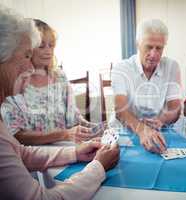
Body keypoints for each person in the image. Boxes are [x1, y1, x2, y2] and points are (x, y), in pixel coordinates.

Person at [0, 6, 119, 199]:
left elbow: (19, 152)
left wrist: (76, 152)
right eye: (26, 55)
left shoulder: (59, 77)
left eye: (51, 45)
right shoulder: (14, 91)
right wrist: (98, 167)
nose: (30, 67)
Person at [1, 19, 98, 145]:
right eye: (41, 46)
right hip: (34, 156)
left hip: (68, 149)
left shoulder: (60, 77)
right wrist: (64, 134)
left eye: (51, 45)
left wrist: (96, 128)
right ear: (28, 49)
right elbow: (16, 135)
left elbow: (74, 119)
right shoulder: (14, 83)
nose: (48, 51)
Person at [111, 19, 181, 153]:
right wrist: (142, 130)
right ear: (138, 44)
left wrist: (161, 120)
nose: (154, 54)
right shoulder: (121, 68)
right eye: (149, 47)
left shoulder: (172, 66)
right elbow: (120, 110)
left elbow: (175, 107)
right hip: (125, 134)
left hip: (159, 131)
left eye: (159, 48)